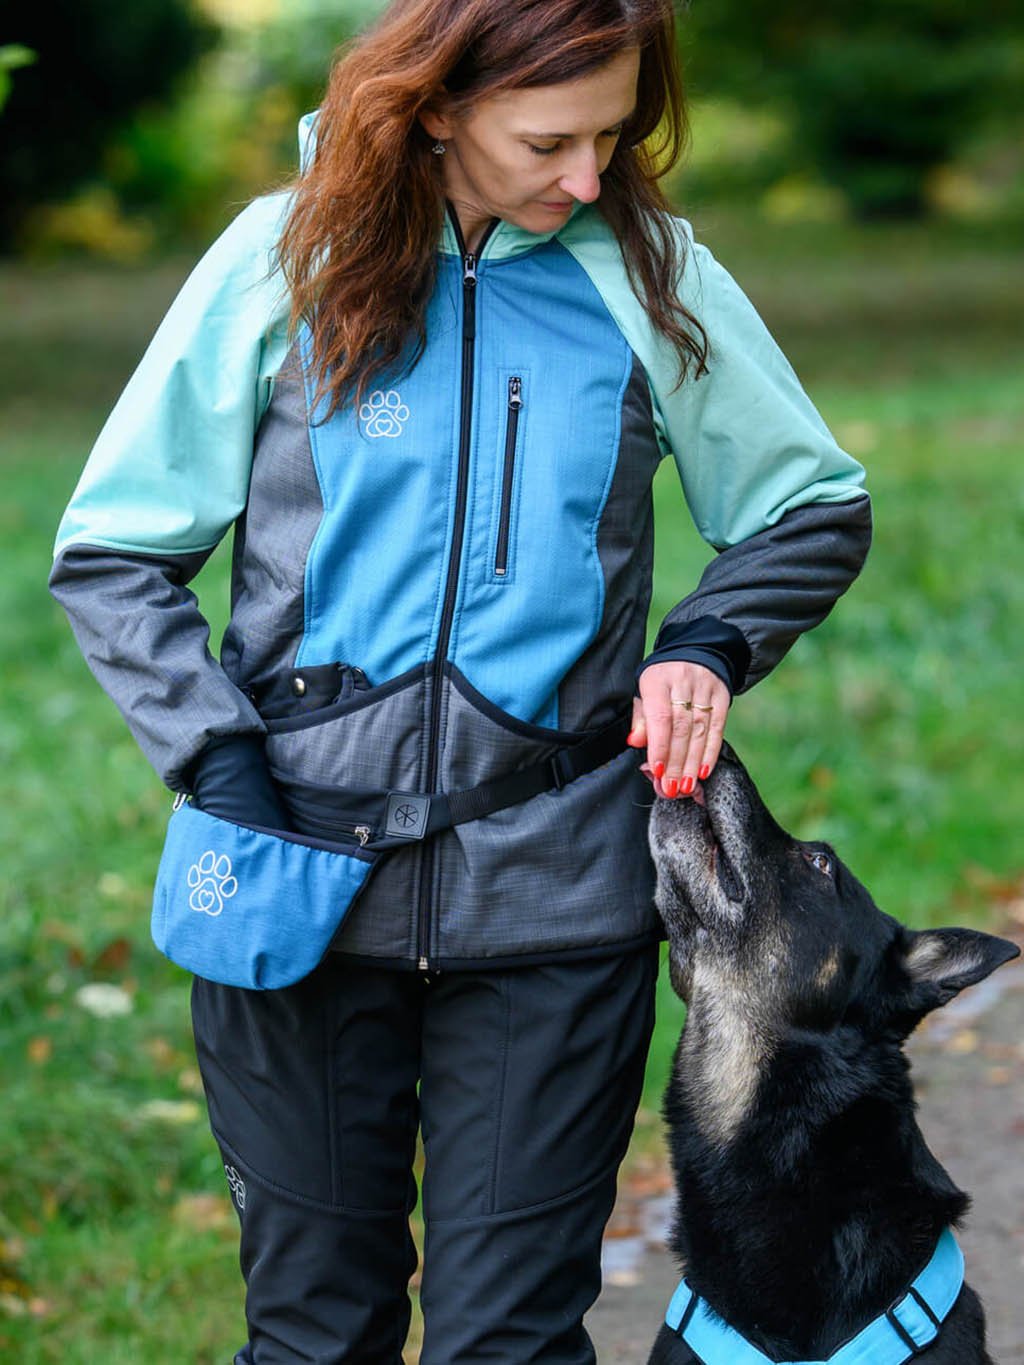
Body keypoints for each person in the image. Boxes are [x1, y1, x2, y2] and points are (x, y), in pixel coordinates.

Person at [49, 0, 872, 1359]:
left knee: (513, 1340)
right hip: (293, 884)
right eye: (550, 140)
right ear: (436, 105)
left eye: (611, 137)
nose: (588, 180)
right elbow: (115, 552)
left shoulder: (648, 271)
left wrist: (703, 641)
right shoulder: (282, 257)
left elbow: (809, 504)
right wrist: (225, 768)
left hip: (558, 891)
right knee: (317, 1334)